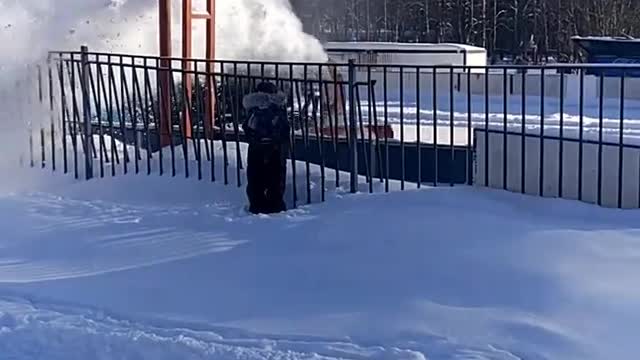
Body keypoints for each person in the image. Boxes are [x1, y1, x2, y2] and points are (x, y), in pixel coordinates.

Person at [242, 81, 290, 214]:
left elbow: (246, 128)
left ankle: (257, 207)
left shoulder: (253, 108)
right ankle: (275, 207)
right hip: (276, 149)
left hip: (256, 148)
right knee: (276, 179)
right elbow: (285, 130)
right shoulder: (278, 107)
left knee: (255, 180)